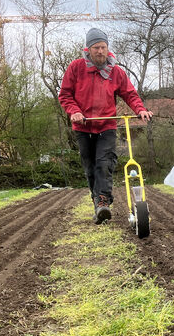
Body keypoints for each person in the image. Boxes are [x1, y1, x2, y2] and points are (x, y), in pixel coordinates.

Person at [58, 28, 153, 224]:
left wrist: (140, 109)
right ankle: (98, 204)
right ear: (88, 49)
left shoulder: (116, 72)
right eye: (96, 48)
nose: (100, 51)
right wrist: (75, 112)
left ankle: (103, 201)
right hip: (83, 127)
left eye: (103, 47)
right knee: (90, 168)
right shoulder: (76, 68)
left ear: (107, 48)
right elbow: (65, 95)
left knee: (104, 163)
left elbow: (130, 94)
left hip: (106, 126)